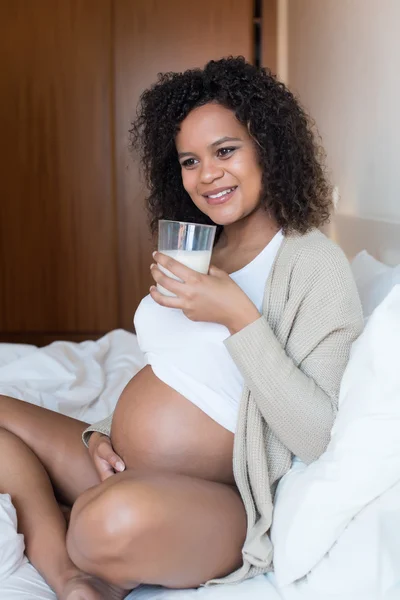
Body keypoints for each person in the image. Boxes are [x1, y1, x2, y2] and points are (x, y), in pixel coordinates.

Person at [0, 57, 363, 600]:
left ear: (268, 145)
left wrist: (237, 314)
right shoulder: (198, 246)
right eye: (189, 161)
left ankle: (78, 538)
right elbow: (172, 369)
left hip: (215, 499)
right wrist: (97, 432)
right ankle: (72, 579)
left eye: (225, 151)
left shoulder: (312, 264)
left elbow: (316, 434)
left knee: (102, 523)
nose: (206, 174)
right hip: (118, 461)